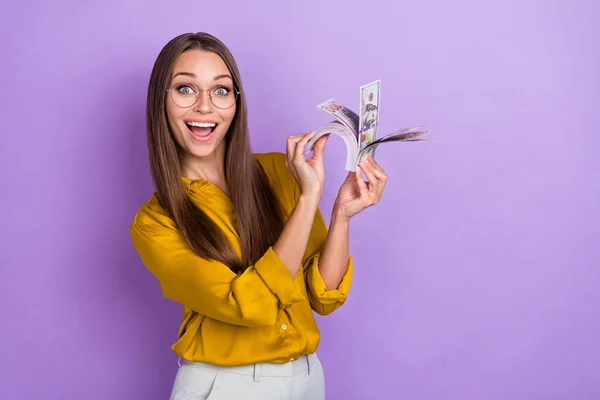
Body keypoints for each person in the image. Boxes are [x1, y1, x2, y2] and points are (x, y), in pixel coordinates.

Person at [129, 32, 388, 400]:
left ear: (235, 102)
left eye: (220, 90)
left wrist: (340, 216)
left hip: (308, 379)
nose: (205, 106)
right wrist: (308, 198)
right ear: (161, 102)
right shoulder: (156, 222)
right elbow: (248, 306)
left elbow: (323, 295)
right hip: (225, 384)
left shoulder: (280, 172)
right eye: (185, 89)